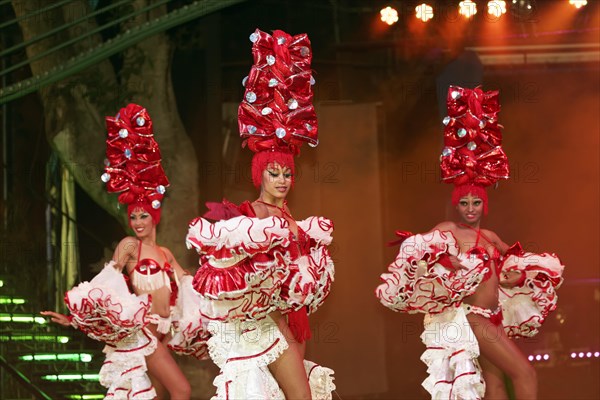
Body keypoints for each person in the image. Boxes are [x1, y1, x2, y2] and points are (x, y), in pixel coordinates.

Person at [376, 86, 564, 399]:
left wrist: (519, 276)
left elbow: (514, 274)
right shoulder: (448, 229)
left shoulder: (489, 237)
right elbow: (420, 253)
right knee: (525, 374)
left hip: (493, 317)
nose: (471, 209)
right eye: (465, 203)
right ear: (456, 205)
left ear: (484, 204)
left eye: (476, 203)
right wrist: (445, 265)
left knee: (495, 385)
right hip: (471, 318)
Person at [186, 29, 335, 399]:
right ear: (259, 173)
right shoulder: (248, 215)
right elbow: (231, 268)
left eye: (287, 173)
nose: (282, 180)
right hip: (266, 325)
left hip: (295, 322)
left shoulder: (292, 217)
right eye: (274, 173)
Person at [42, 104, 208, 400]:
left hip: (163, 332)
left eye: (143, 216)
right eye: (134, 217)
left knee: (153, 395)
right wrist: (76, 317)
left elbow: (191, 285)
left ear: (154, 216)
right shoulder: (129, 246)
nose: (138, 222)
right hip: (143, 334)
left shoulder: (165, 253)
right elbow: (105, 283)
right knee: (181, 390)